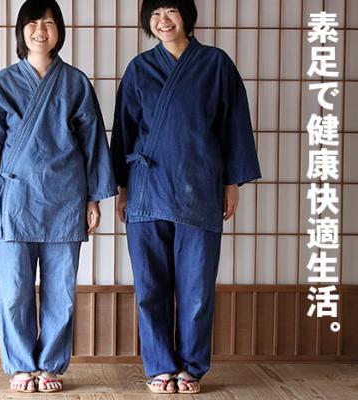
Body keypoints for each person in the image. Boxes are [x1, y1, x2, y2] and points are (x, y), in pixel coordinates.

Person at [0, 0, 116, 393]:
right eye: (32, 23)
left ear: (59, 31)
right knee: (14, 290)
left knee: (60, 290)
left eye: (48, 22)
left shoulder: (75, 83)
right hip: (15, 198)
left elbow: (93, 143)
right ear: (21, 31)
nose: (40, 30)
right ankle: (20, 365)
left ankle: (50, 365)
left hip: (65, 197)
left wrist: (93, 198)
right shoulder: (2, 84)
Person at [110, 0, 261, 394]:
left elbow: (234, 127)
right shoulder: (139, 69)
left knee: (196, 287)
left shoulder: (216, 65)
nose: (163, 21)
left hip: (200, 187)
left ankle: (191, 367)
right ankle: (161, 366)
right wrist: (123, 190)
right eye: (155, 14)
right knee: (151, 286)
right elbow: (124, 132)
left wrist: (232, 183)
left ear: (187, 16)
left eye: (171, 11)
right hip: (147, 190)